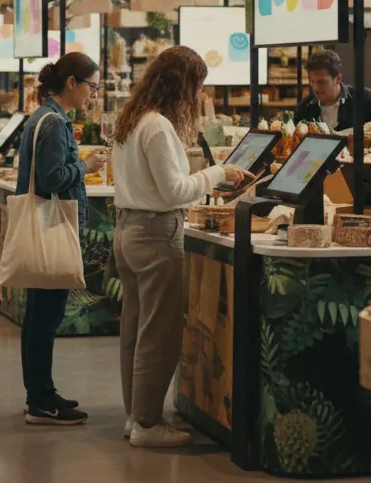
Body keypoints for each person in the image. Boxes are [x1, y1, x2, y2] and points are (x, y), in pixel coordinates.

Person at [111, 45, 248, 447]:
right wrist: (218, 172)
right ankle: (148, 425)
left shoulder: (132, 119)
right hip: (156, 235)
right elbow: (174, 191)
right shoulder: (158, 127)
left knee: (134, 332)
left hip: (129, 231)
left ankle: (136, 417)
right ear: (182, 86)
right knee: (160, 334)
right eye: (197, 86)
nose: (198, 96)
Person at [13, 52, 105, 427]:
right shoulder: (54, 123)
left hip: (45, 225)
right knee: (45, 318)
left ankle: (41, 392)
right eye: (92, 87)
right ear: (72, 83)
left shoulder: (45, 118)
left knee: (39, 316)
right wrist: (86, 166)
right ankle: (40, 400)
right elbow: (51, 179)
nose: (93, 95)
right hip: (52, 229)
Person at [295, 48, 371, 131]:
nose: (316, 88)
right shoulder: (304, 108)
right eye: (312, 82)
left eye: (322, 82)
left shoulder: (363, 99)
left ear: (338, 79)